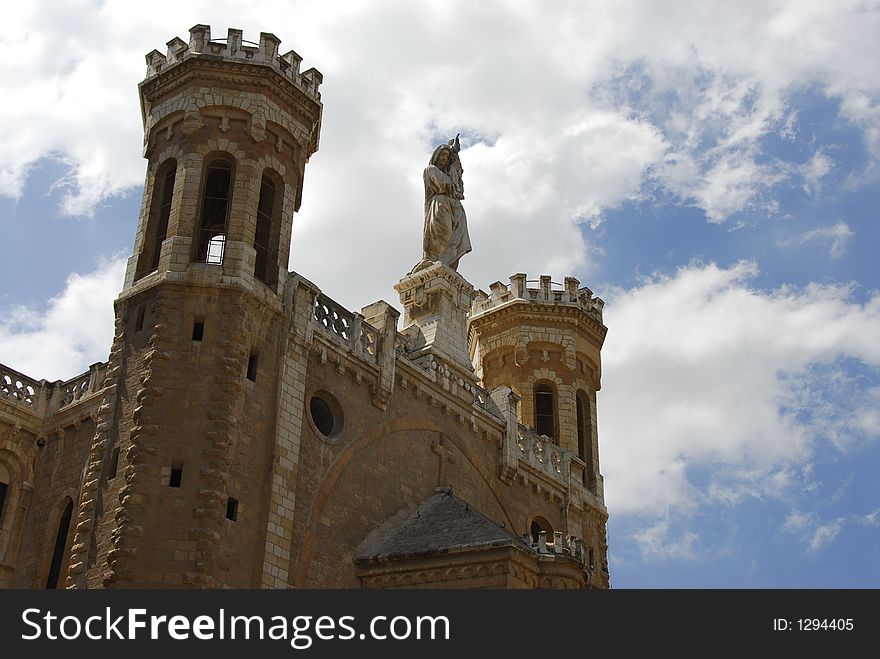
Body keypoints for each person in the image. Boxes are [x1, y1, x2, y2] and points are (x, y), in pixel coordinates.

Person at [411, 135, 471, 273]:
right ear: (436, 156)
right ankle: (433, 260)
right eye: (442, 155)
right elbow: (446, 185)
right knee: (441, 234)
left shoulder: (451, 172)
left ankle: (447, 262)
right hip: (440, 204)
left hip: (455, 208)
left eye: (447, 156)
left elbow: (457, 184)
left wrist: (454, 154)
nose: (444, 158)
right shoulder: (430, 169)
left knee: (454, 240)